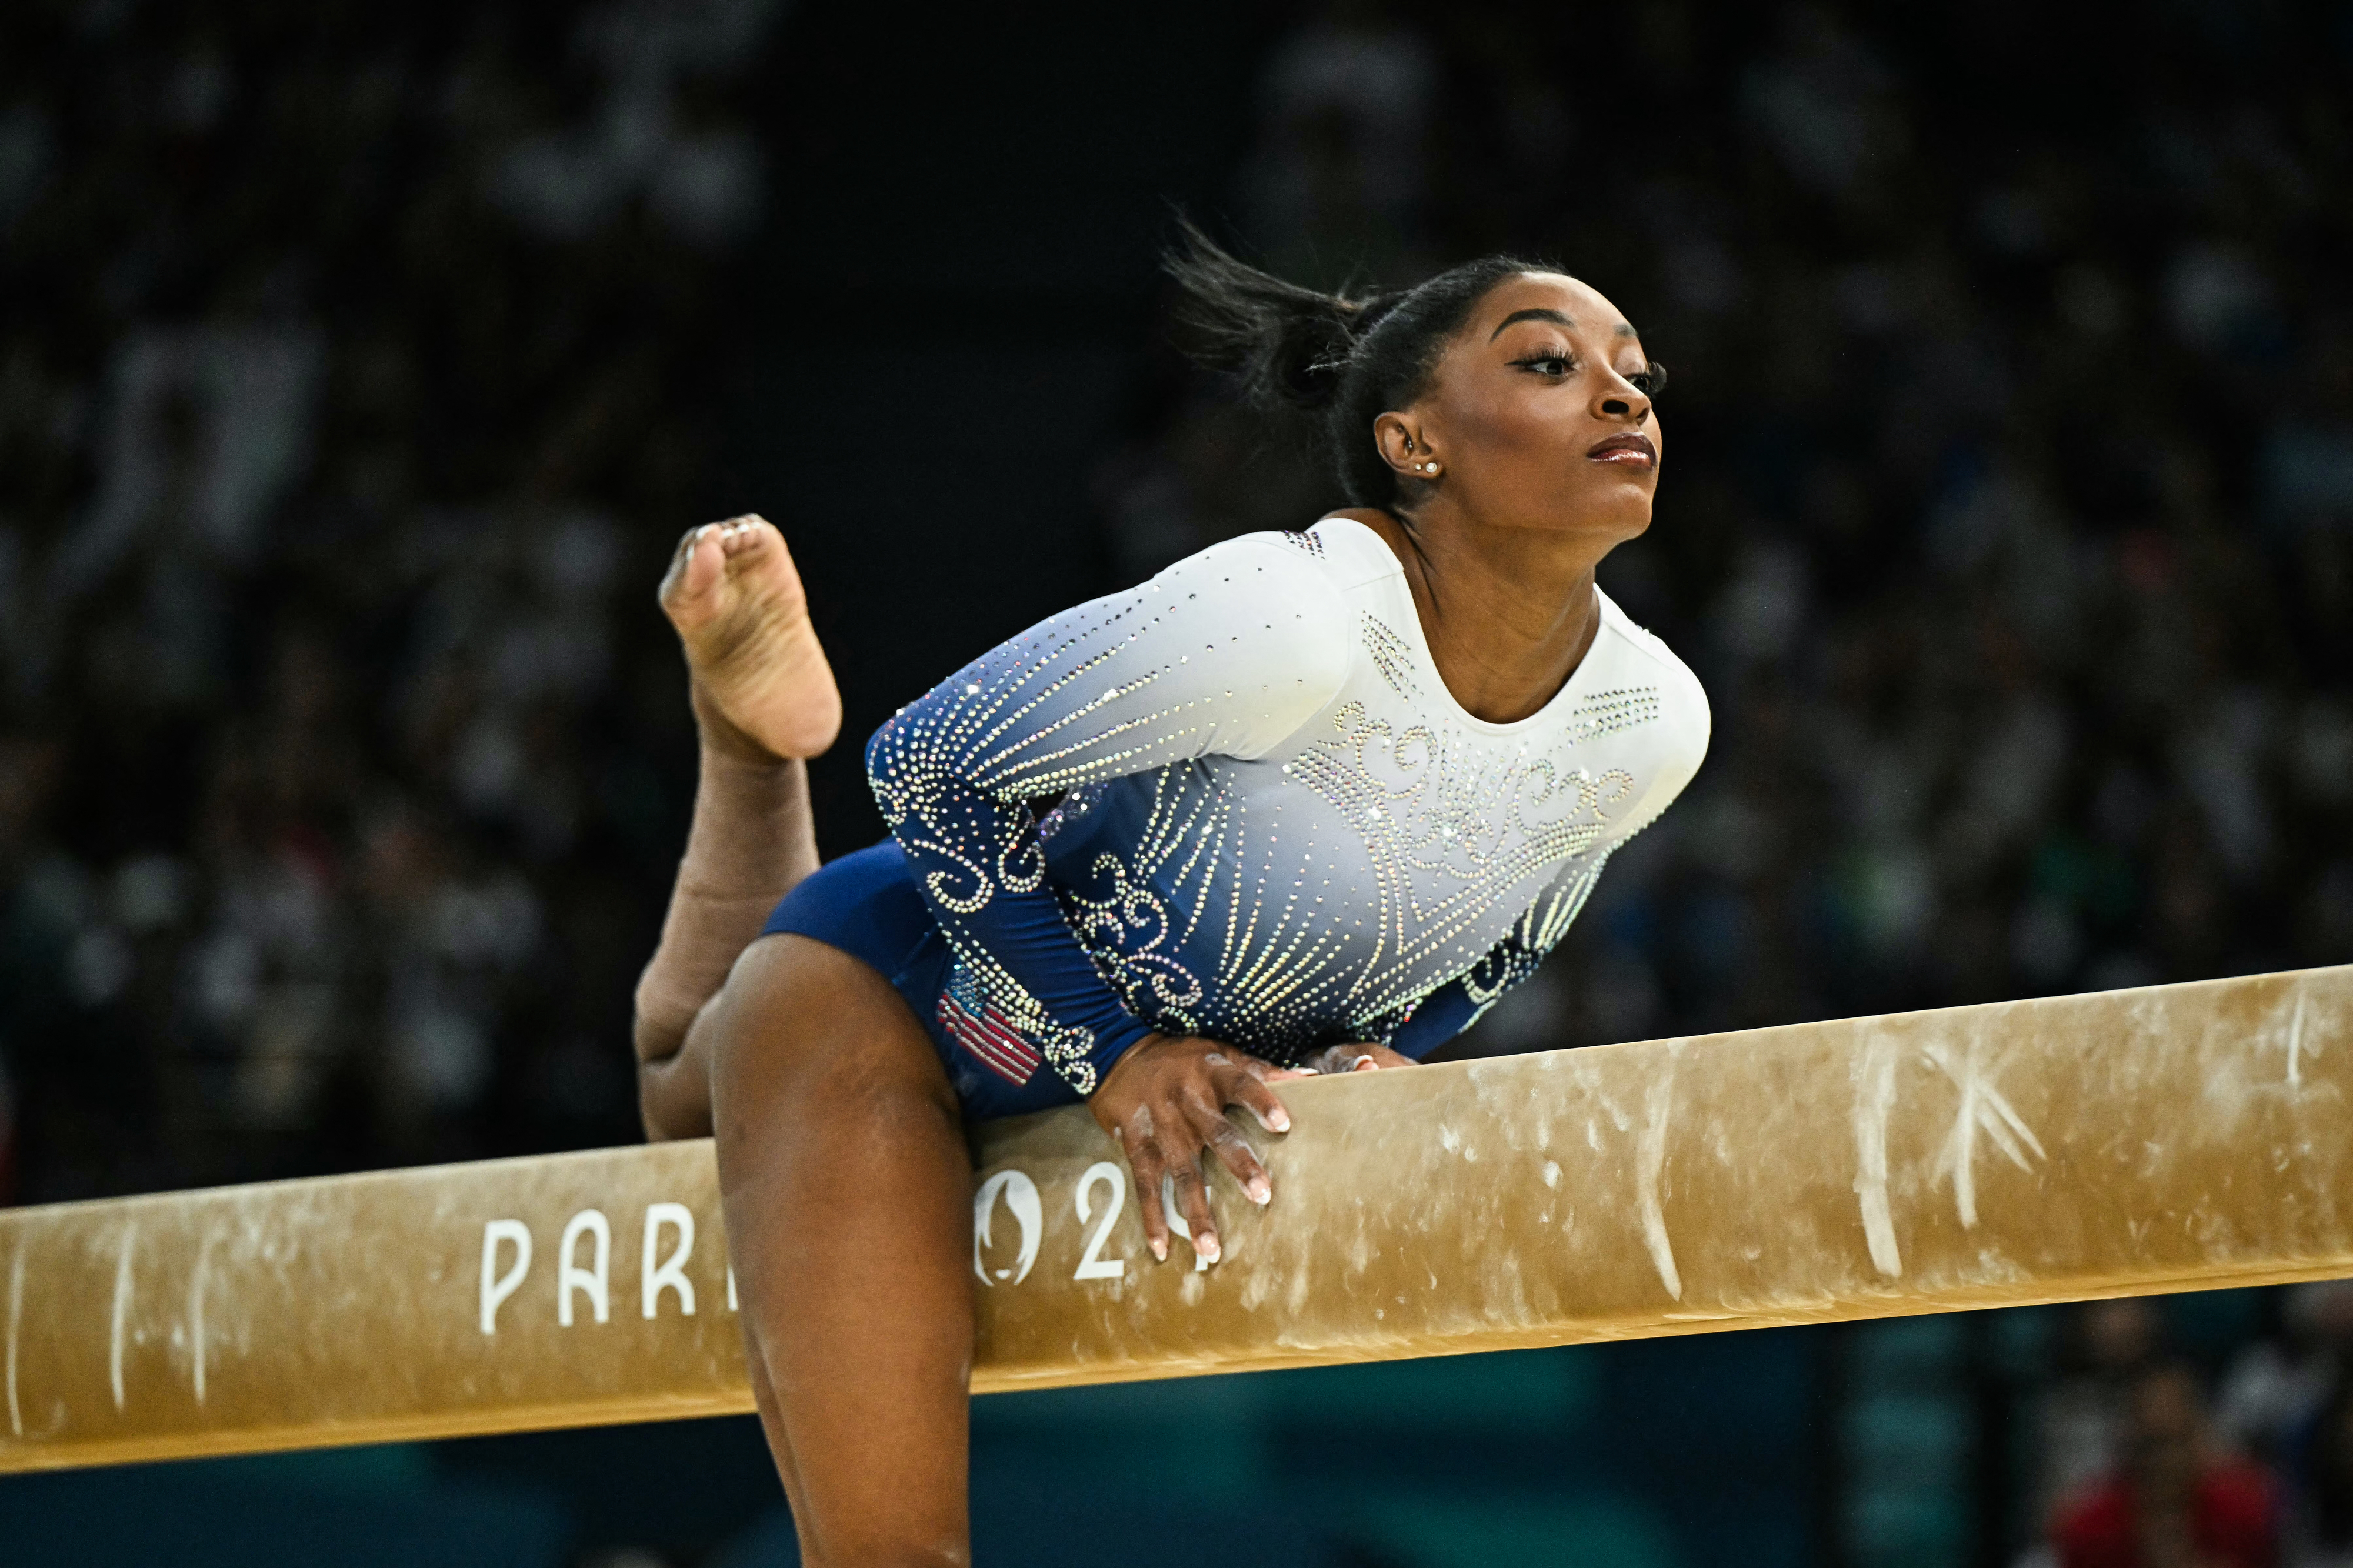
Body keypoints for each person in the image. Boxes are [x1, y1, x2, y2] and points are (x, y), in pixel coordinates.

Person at [630, 227, 1710, 1566]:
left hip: (1103, 1049)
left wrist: (1379, 1054)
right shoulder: (1291, 613)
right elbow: (926, 764)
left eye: (1636, 372)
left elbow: (1500, 945)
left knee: (694, 1084)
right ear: (1411, 440)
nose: (1623, 396)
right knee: (687, 1088)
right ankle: (746, 737)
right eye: (1551, 363)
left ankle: (746, 755)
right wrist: (1118, 1050)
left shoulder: (1646, 718)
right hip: (900, 999)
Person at [2051, 1360, 2279, 1568]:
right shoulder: (2087, 1531)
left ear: (2201, 1437)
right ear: (2126, 1442)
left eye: (2177, 1442)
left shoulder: (2245, 1516)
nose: (2166, 1463)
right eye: (2152, 1445)